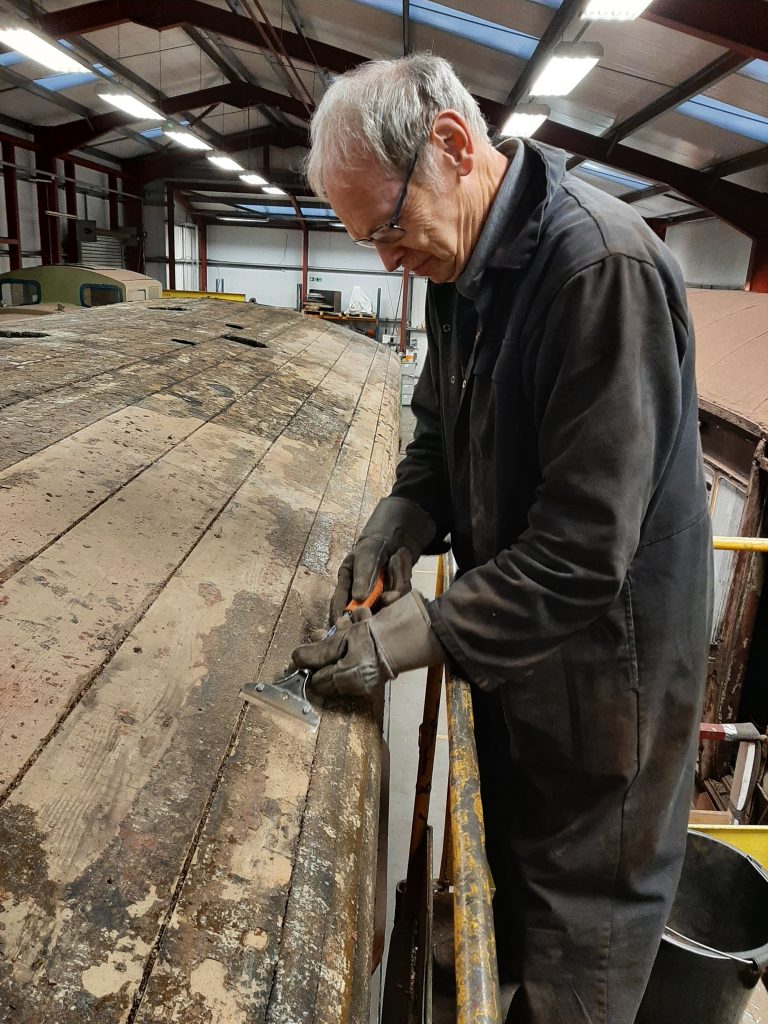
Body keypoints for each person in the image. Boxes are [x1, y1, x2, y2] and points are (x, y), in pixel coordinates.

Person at [293, 53, 713, 1024]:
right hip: (529, 657)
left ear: (450, 145)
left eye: (387, 228)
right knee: (518, 891)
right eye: (368, 243)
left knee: (586, 928)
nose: (387, 262)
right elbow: (441, 428)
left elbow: (582, 550)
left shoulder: (598, 272)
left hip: (609, 688)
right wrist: (402, 516)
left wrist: (409, 636)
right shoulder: (462, 262)